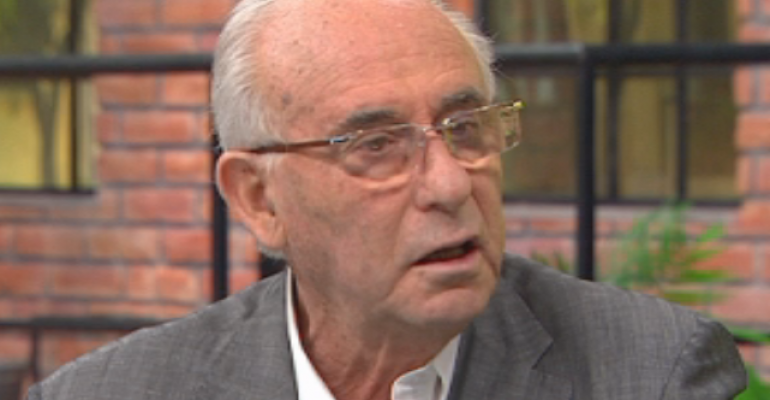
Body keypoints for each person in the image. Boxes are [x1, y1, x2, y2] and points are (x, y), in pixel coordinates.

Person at [27, 0, 746, 399]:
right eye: (376, 145)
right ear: (258, 198)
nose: (450, 184)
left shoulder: (652, 373)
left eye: (466, 127)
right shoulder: (111, 393)